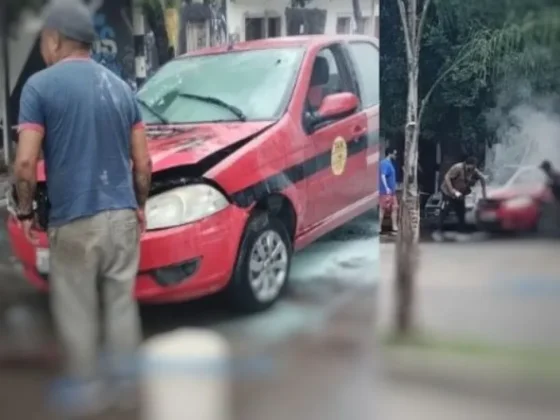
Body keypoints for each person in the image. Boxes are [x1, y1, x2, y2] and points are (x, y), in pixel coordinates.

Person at [13, 0, 152, 414]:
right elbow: (143, 163)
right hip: (122, 216)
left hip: (74, 220)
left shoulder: (40, 87)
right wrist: (139, 206)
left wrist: (24, 210)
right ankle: (127, 389)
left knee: (76, 308)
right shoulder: (122, 88)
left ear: (54, 39)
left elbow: (24, 162)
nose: (42, 47)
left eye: (42, 40)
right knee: (120, 303)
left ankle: (89, 395)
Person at [435, 156, 486, 237]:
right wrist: (451, 190)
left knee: (461, 210)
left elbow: (482, 178)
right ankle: (438, 229)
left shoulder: (474, 170)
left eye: (473, 167)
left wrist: (484, 194)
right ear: (466, 164)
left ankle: (462, 229)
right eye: (470, 167)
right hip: (448, 191)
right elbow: (447, 177)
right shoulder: (457, 168)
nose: (471, 169)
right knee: (446, 209)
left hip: (460, 192)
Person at [379, 148, 398, 233]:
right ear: (389, 154)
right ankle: (380, 227)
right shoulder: (385, 163)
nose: (395, 156)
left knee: (394, 208)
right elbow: (383, 175)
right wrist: (386, 187)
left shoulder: (389, 164)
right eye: (394, 154)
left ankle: (394, 226)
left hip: (391, 191)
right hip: (386, 192)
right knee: (383, 209)